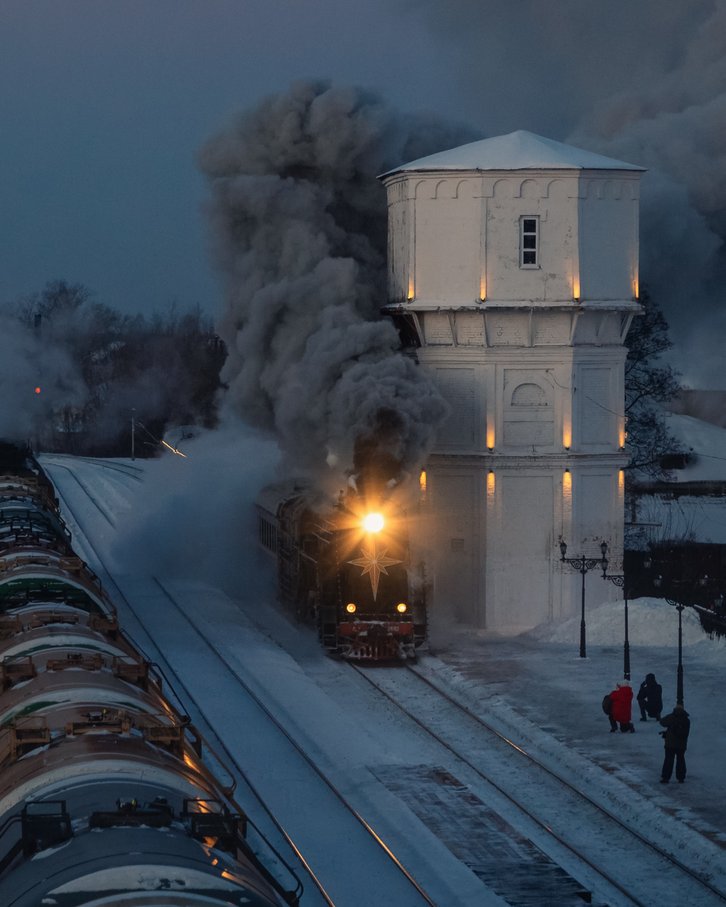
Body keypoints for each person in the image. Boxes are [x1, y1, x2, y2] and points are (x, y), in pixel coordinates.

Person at [659, 704, 691, 783]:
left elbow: (662, 722)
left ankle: (666, 777)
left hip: (670, 744)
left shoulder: (672, 717)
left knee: (669, 760)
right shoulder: (686, 720)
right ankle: (681, 777)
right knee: (681, 760)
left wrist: (672, 714)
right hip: (682, 744)